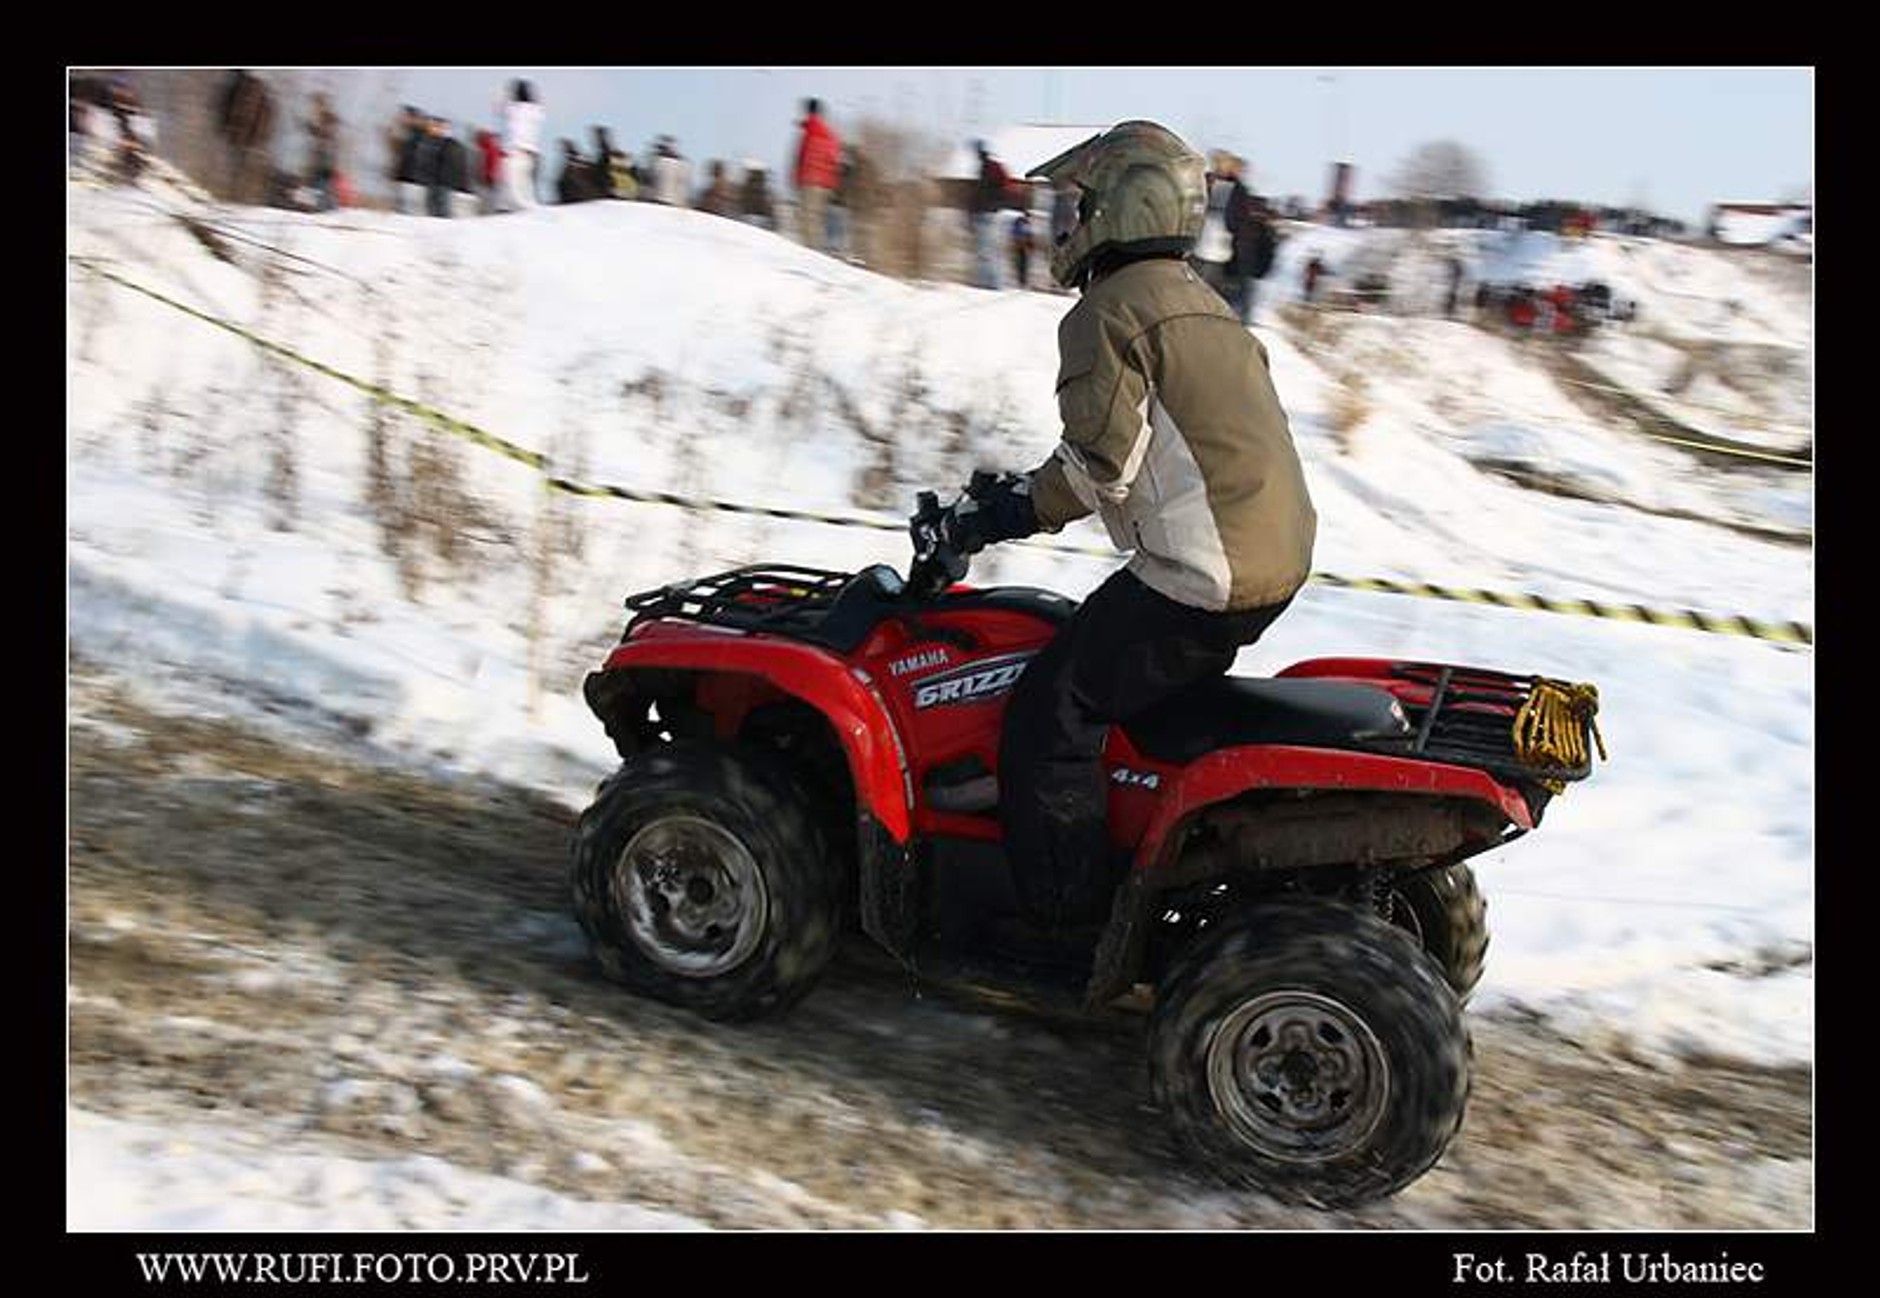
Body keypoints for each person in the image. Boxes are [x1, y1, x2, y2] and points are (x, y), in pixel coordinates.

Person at [920, 120, 1316, 930]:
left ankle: (1069, 917)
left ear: (1123, 209)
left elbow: (1100, 469)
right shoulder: (1203, 302)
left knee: (1049, 714)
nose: (1069, 222)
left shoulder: (1108, 312)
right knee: (1126, 691)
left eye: (1083, 203)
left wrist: (998, 513)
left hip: (1201, 575)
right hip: (1273, 561)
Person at [216, 69, 275, 204]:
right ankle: (241, 197)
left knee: (237, 167)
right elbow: (269, 113)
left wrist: (224, 129)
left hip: (239, 135)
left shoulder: (233, 86)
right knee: (243, 167)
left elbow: (223, 108)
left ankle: (236, 197)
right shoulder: (259, 87)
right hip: (251, 138)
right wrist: (263, 136)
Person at [792, 98, 841, 251]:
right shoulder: (830, 133)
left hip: (811, 180)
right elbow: (835, 159)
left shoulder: (809, 130)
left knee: (808, 218)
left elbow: (802, 156)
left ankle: (811, 254)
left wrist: (797, 177)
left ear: (808, 111)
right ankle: (816, 252)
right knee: (817, 219)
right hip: (826, 183)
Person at [969, 139, 1010, 288]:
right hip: (991, 211)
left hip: (987, 212)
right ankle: (990, 282)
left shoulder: (988, 168)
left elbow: (983, 191)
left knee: (986, 249)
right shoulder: (990, 167)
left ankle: (991, 283)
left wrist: (979, 206)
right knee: (989, 249)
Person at [501, 79, 544, 210]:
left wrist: (506, 96)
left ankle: (518, 209)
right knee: (526, 184)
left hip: (516, 149)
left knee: (513, 183)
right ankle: (530, 208)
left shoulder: (515, 109)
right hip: (531, 151)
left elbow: (501, 108)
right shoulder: (536, 110)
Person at [304, 92, 341, 212]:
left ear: (322, 105)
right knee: (316, 183)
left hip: (325, 157)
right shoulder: (322, 118)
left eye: (317, 104)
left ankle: (328, 208)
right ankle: (313, 208)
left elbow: (326, 135)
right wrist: (310, 127)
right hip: (320, 156)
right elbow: (319, 133)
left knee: (321, 183)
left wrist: (314, 128)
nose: (314, 108)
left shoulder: (327, 118)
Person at [1010, 208, 1034, 288]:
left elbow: (1028, 235)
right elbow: (1025, 234)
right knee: (1021, 263)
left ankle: (1022, 281)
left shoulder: (1024, 222)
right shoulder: (1021, 222)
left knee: (1023, 263)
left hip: (1021, 245)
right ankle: (1021, 281)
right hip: (1020, 245)